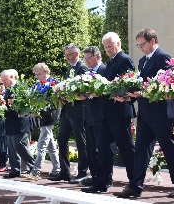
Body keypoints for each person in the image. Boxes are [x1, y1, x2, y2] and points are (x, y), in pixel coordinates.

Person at [112, 28, 174, 198]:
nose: (141, 48)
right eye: (138, 45)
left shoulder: (163, 57)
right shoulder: (142, 61)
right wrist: (128, 97)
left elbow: (167, 85)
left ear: (152, 40)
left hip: (161, 113)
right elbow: (141, 86)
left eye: (142, 44)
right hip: (145, 113)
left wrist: (143, 93)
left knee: (168, 148)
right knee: (141, 150)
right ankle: (135, 186)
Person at [81, 32, 136, 193]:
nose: (107, 50)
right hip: (106, 112)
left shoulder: (124, 59)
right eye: (105, 47)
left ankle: (134, 182)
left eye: (109, 46)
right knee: (104, 148)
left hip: (120, 111)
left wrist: (111, 91)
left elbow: (127, 83)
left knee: (126, 148)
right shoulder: (111, 62)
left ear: (118, 44)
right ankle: (102, 182)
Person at [49, 43, 89, 184]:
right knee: (61, 139)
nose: (67, 58)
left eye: (69, 55)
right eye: (65, 55)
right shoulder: (69, 69)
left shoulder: (83, 68)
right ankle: (65, 171)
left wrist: (71, 95)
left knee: (81, 141)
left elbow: (84, 90)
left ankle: (82, 171)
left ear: (76, 54)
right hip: (67, 110)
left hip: (79, 110)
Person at [25, 62, 61, 181]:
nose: (37, 76)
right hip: (42, 117)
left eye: (38, 74)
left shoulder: (53, 84)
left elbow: (56, 103)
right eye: (36, 74)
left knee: (41, 145)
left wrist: (41, 110)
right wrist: (32, 109)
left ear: (45, 72)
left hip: (49, 116)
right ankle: (57, 169)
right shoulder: (38, 85)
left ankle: (36, 171)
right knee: (50, 146)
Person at [0, 69, 35, 179]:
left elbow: (27, 103)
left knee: (19, 144)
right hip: (10, 121)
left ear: (12, 77)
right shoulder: (7, 91)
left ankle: (34, 167)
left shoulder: (21, 87)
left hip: (21, 122)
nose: (4, 83)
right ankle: (15, 170)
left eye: (5, 80)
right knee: (11, 146)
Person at [80, 46, 106, 186]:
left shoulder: (104, 70)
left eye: (89, 58)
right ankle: (95, 176)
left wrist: (91, 94)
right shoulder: (87, 73)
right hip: (88, 116)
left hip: (100, 116)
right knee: (90, 149)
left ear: (97, 56)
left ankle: (103, 178)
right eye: (85, 59)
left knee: (101, 149)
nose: (87, 61)